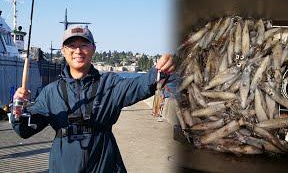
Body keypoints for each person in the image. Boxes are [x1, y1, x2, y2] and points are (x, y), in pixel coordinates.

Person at [11, 25, 175, 172]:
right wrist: (17, 110)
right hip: (63, 165)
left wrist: (159, 72)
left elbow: (138, 86)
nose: (78, 51)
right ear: (63, 51)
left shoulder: (110, 83)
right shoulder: (50, 92)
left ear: (93, 48)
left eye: (83, 45)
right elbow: (25, 130)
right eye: (72, 46)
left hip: (105, 164)